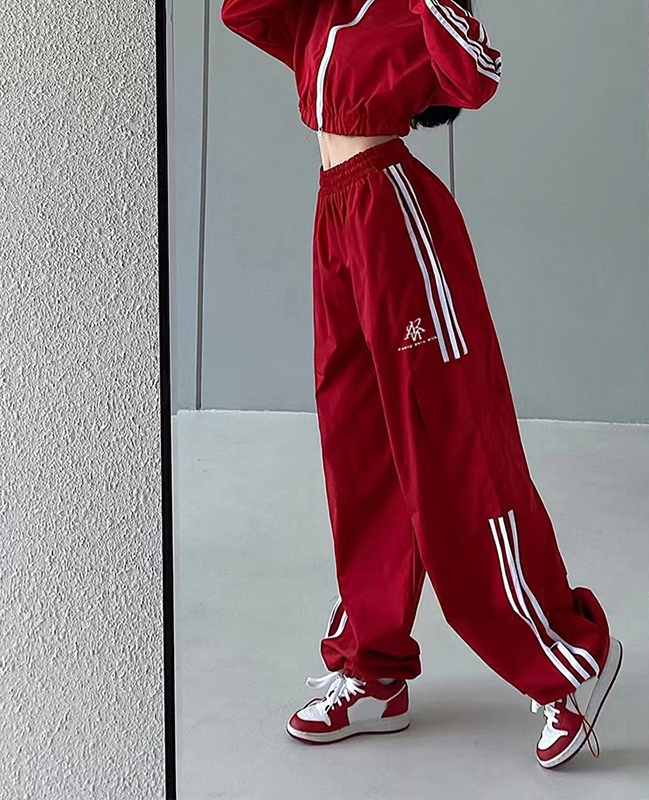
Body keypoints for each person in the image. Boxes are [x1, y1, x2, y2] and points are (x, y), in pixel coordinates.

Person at [220, 0, 623, 769]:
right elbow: (243, 12)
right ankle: (373, 672)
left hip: (395, 213)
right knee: (359, 451)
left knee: (456, 448)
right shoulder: (323, 9)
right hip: (337, 213)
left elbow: (477, 76)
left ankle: (566, 661)